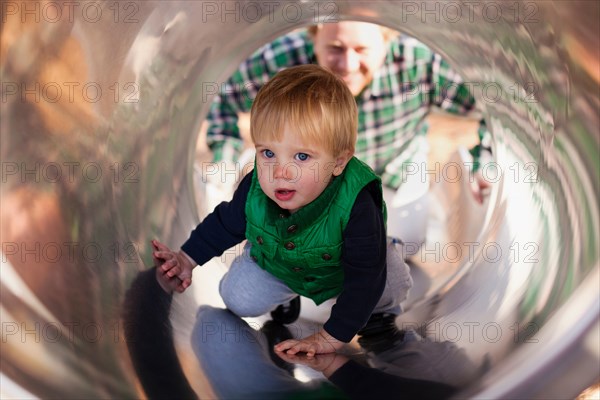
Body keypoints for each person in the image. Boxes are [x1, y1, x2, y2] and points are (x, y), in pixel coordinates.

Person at [154, 64, 412, 356]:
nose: (281, 171)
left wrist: (331, 336)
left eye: (301, 156)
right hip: (280, 262)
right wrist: (186, 258)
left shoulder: (357, 204)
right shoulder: (256, 188)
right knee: (235, 298)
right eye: (268, 153)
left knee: (390, 279)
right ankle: (285, 297)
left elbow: (365, 277)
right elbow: (225, 224)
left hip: (347, 269)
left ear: (339, 162)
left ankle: (377, 317)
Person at [202, 21, 493, 252]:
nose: (348, 64)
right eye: (336, 48)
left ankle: (423, 214)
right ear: (314, 37)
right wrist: (223, 161)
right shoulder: (284, 58)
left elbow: (495, 108)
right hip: (307, 175)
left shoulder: (417, 64)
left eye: (362, 49)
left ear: (386, 40)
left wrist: (485, 161)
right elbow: (224, 99)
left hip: (390, 170)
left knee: (404, 243)